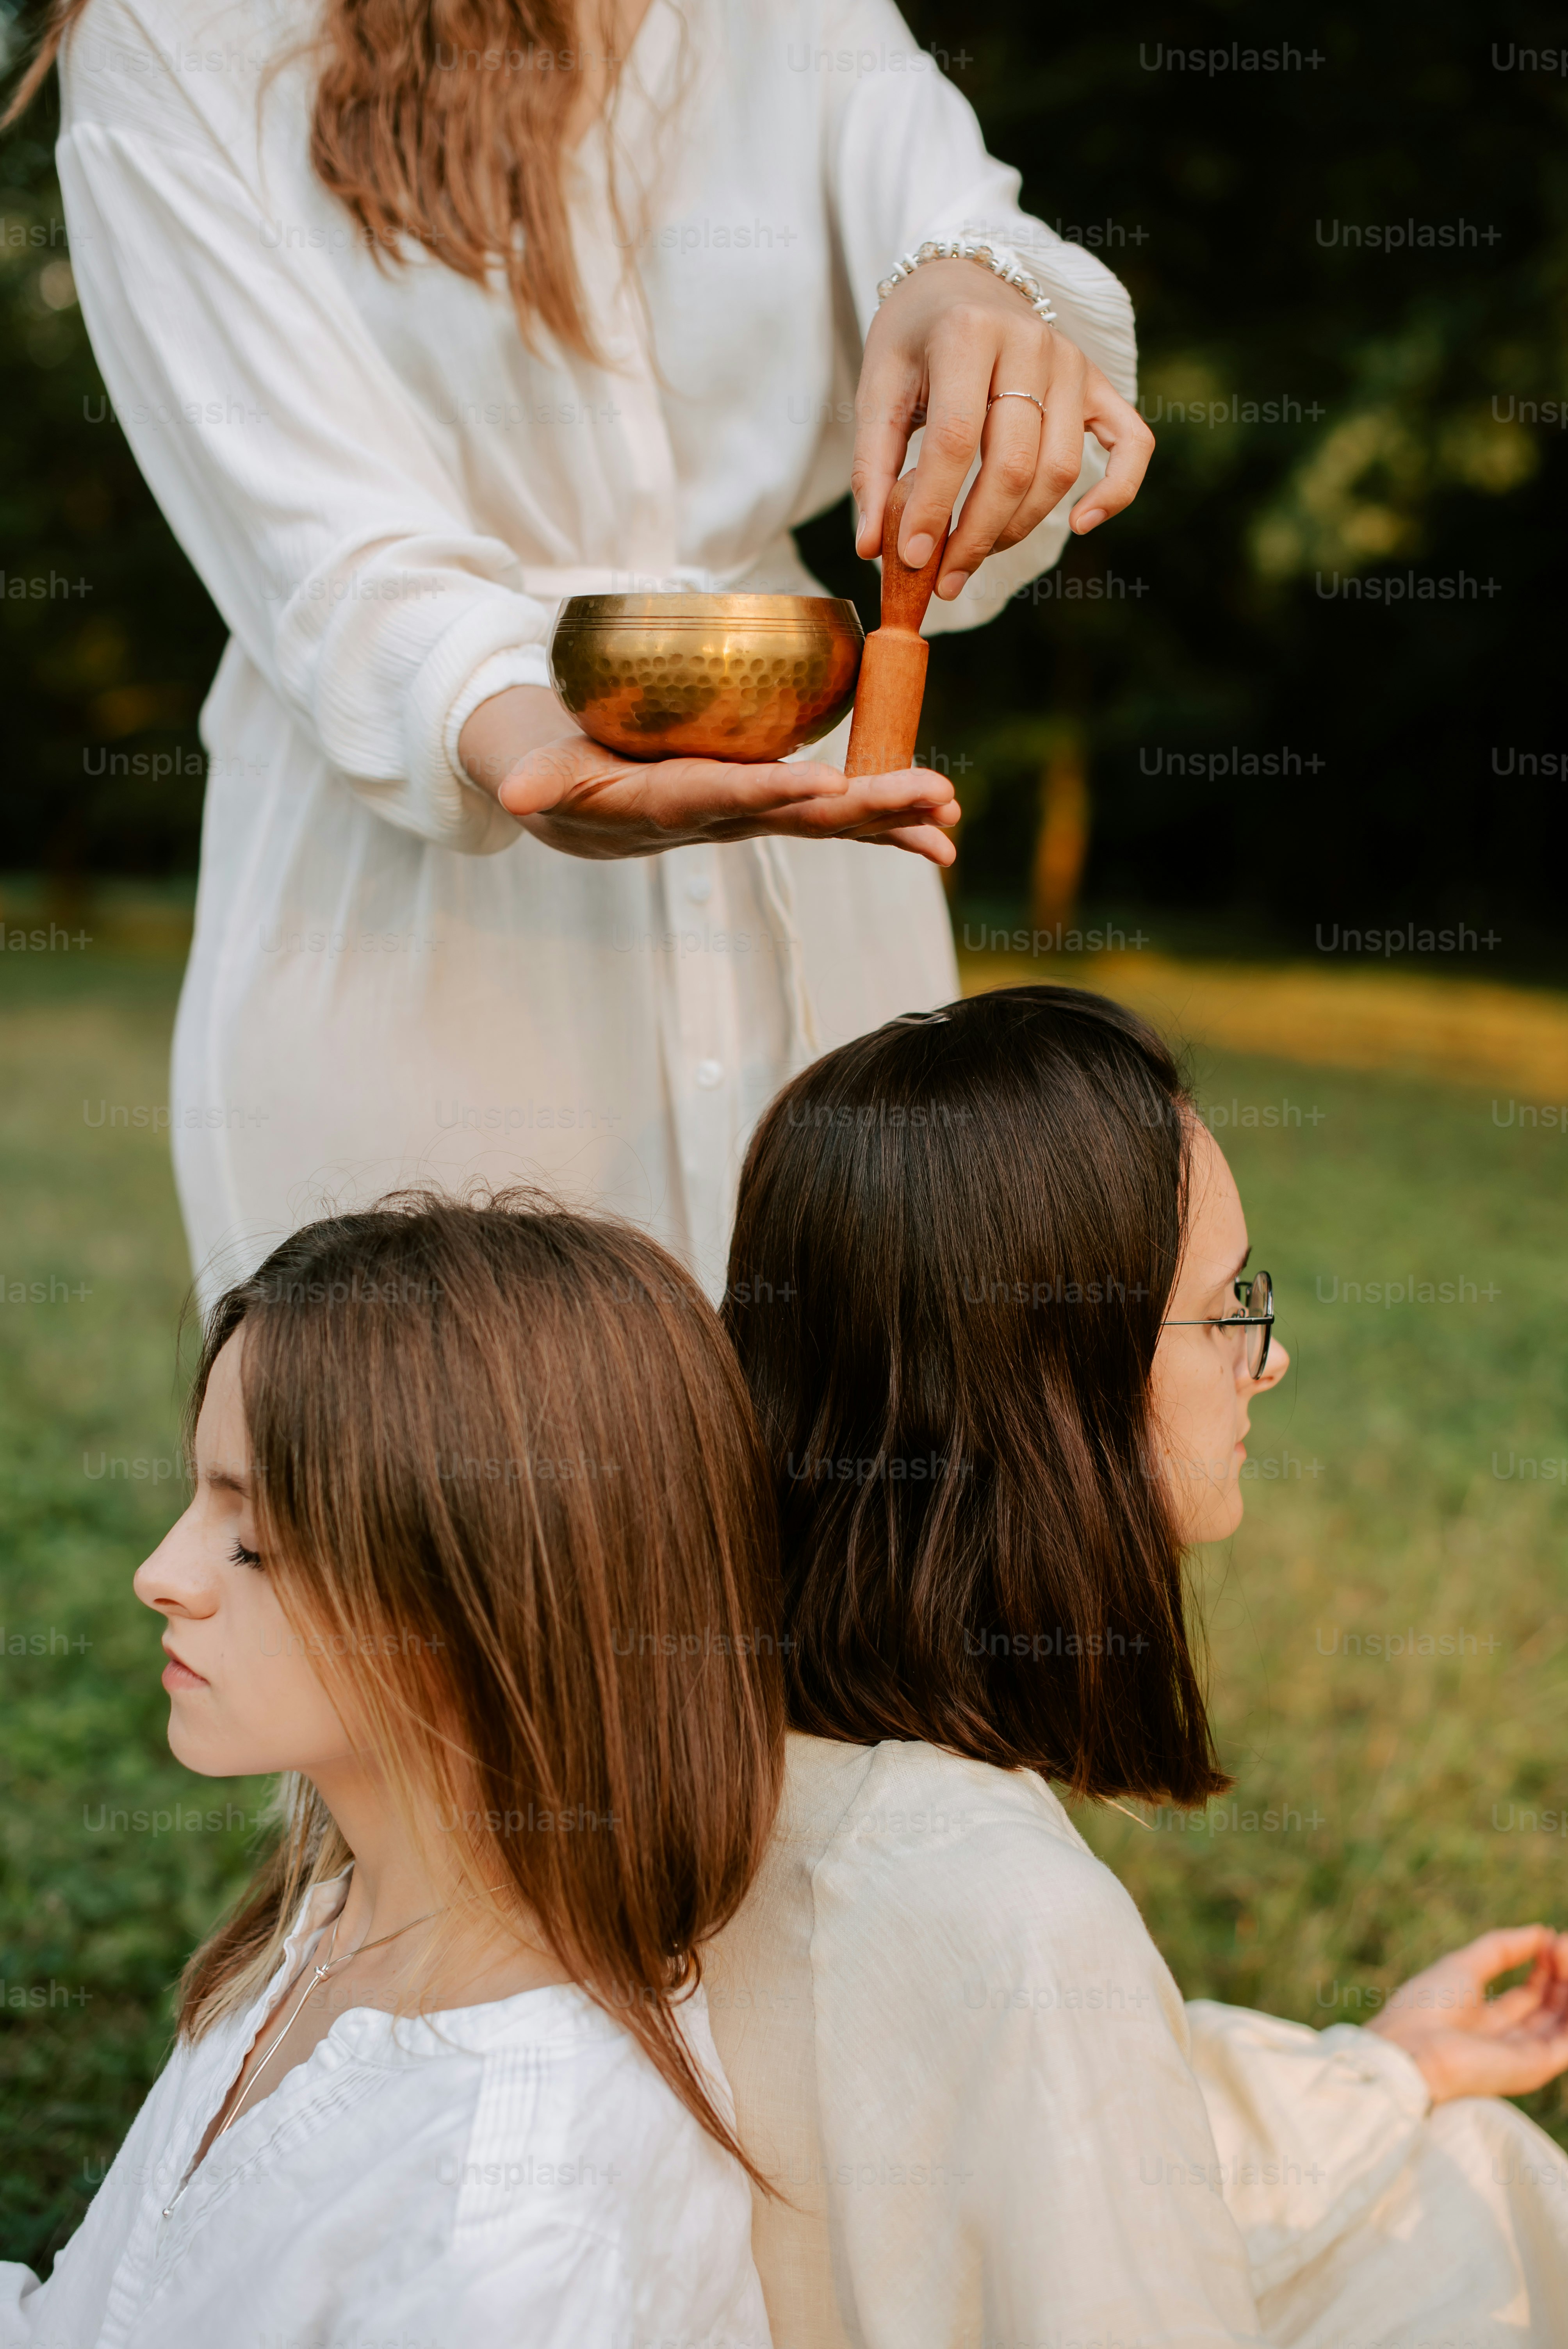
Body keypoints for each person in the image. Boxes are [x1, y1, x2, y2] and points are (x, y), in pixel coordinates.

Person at [14, 0, 1152, 1303]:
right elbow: (326, 553)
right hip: (419, 905)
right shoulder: (172, 32)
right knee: (454, 1461)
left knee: (845, 1452)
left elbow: (948, 206)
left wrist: (968, 292)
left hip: (812, 865)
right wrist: (527, 749)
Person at [707, 985, 1568, 2348]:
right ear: (1053, 1388)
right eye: (1228, 1310)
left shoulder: (707, 1740)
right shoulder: (1018, 1918)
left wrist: (1386, 2074)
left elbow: (1086, 2135)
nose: (1270, 1359)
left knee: (1461, 2165)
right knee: (1493, 2216)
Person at [0, 1194, 781, 2348]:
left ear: (493, 1605)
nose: (160, 1574)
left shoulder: (509, 2230)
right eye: (197, 1496)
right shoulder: (344, 1915)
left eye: (253, 1539)